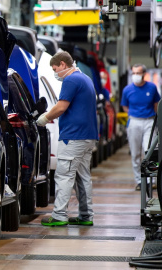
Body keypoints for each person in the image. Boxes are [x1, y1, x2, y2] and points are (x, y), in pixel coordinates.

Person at [36, 51, 99, 226]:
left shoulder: (71, 80)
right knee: (83, 177)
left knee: (64, 176)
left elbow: (61, 107)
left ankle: (59, 215)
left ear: (63, 64)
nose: (56, 73)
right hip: (87, 136)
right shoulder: (85, 78)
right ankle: (86, 216)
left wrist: (44, 118)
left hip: (73, 137)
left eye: (56, 69)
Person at [121, 64, 160, 191]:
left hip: (149, 122)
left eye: (138, 73)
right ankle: (139, 181)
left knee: (149, 151)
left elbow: (156, 105)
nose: (136, 76)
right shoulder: (127, 90)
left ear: (144, 74)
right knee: (135, 153)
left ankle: (152, 180)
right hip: (134, 122)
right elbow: (125, 106)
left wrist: (156, 121)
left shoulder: (152, 88)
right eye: (134, 73)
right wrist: (134, 115)